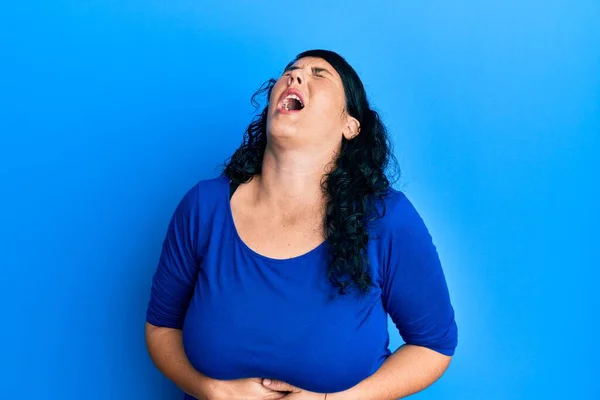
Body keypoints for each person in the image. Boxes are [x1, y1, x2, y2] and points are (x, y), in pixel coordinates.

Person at [144, 49, 458, 400]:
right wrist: (212, 390)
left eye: (318, 74)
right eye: (290, 71)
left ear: (350, 125)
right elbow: (160, 327)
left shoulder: (387, 219)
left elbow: (434, 346)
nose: (295, 76)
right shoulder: (204, 208)